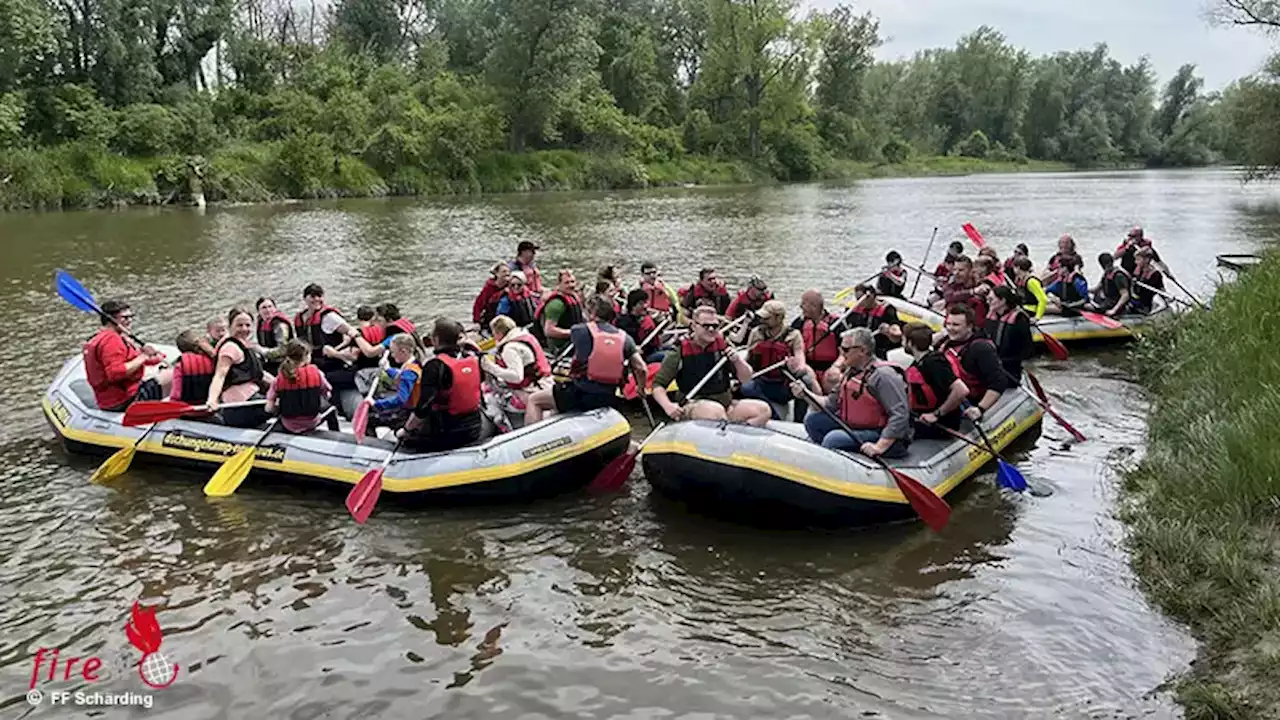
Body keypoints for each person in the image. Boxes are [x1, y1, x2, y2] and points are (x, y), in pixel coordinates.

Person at [790, 328, 911, 458]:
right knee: (813, 421)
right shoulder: (851, 372)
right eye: (841, 348)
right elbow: (830, 404)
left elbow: (900, 414)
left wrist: (879, 446)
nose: (841, 353)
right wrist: (806, 394)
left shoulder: (883, 376)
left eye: (846, 349)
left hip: (880, 433)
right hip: (855, 426)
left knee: (833, 439)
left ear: (863, 351)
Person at [524, 299, 647, 425]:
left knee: (535, 400)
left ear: (592, 314)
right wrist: (640, 389)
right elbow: (641, 368)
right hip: (608, 396)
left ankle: (529, 440)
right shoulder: (626, 339)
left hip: (580, 393)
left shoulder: (579, 330)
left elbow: (559, 335)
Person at [651, 306, 772, 427]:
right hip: (694, 405)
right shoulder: (679, 351)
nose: (711, 329)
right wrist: (668, 406)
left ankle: (735, 436)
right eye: (706, 326)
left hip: (725, 405)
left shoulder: (723, 346)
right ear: (694, 326)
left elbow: (746, 379)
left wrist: (737, 361)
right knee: (715, 412)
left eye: (715, 326)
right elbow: (658, 386)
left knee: (763, 410)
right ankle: (722, 431)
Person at [398, 319, 485, 452]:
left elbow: (423, 408)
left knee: (401, 430)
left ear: (436, 340)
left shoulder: (435, 366)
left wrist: (405, 430)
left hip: (446, 432)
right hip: (475, 427)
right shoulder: (473, 359)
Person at [82, 299, 171, 411]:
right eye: (125, 318)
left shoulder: (104, 337)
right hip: (124, 400)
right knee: (175, 374)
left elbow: (131, 359)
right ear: (111, 319)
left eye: (131, 317)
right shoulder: (111, 340)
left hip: (110, 399)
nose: (130, 321)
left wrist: (153, 358)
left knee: (166, 371)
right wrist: (143, 356)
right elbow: (115, 373)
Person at [936, 304, 1010, 418]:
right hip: (948, 399)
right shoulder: (944, 342)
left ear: (969, 326)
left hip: (970, 402)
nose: (950, 328)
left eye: (956, 325)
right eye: (948, 324)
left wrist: (980, 408)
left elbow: (999, 381)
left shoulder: (981, 348)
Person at [741, 300, 810, 418]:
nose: (762, 321)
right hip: (762, 381)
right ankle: (773, 415)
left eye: (767, 318)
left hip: (782, 385)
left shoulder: (793, 335)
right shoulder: (756, 333)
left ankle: (799, 421)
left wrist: (796, 367)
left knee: (805, 383)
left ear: (779, 318)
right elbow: (747, 361)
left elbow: (800, 359)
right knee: (745, 388)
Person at [900, 323, 968, 439]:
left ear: (910, 343)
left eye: (903, 339)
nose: (902, 343)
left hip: (939, 424)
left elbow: (961, 390)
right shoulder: (919, 363)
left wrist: (936, 414)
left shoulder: (934, 364)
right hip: (922, 418)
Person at [206, 307, 271, 427]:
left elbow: (261, 374)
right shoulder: (230, 348)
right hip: (240, 407)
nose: (244, 329)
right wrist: (212, 399)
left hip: (252, 400)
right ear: (230, 326)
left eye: (247, 325)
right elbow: (220, 375)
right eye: (239, 325)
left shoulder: (243, 345)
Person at [266, 339, 340, 433]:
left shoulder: (279, 379)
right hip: (313, 421)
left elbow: (269, 408)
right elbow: (327, 392)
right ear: (306, 356)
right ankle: (336, 434)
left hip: (288, 424)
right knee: (331, 410)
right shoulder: (317, 374)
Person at [293, 283, 356, 389]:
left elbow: (351, 332)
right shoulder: (300, 318)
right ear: (305, 298)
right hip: (309, 362)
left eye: (320, 296)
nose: (317, 299)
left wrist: (336, 351)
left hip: (329, 363)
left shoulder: (330, 317)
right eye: (313, 296)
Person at [481, 315, 552, 409]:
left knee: (489, 396)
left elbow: (517, 377)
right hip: (547, 382)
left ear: (499, 332)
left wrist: (490, 367)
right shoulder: (526, 336)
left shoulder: (509, 349)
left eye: (493, 332)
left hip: (532, 389)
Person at [368, 333, 425, 431]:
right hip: (410, 409)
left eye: (393, 352)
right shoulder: (415, 364)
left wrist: (375, 404)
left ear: (403, 351)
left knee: (370, 418)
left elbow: (400, 399)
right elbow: (400, 375)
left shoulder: (409, 372)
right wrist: (388, 368)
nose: (392, 355)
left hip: (408, 413)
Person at [792, 290, 844, 379]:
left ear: (814, 306)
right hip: (807, 367)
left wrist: (836, 367)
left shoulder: (836, 324)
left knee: (833, 378)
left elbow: (845, 353)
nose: (800, 306)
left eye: (804, 303)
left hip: (830, 368)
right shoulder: (799, 323)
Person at [986, 287, 1034, 381]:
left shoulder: (1019, 319)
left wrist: (1004, 361)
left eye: (991, 299)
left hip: (1010, 369)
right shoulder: (991, 316)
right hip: (992, 365)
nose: (988, 302)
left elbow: (1028, 351)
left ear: (1003, 300)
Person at [532, 269, 584, 354]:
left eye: (572, 282)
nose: (571, 285)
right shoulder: (556, 304)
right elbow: (549, 331)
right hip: (560, 347)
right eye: (567, 283)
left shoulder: (573, 297)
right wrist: (572, 333)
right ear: (559, 284)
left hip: (574, 341)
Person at [848, 284, 904, 357]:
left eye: (860, 299)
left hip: (879, 349)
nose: (859, 302)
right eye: (857, 299)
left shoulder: (887, 310)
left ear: (871, 296)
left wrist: (888, 332)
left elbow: (897, 335)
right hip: (859, 348)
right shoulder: (855, 310)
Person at [616, 289, 665, 363]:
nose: (645, 306)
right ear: (633, 306)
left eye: (646, 302)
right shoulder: (625, 323)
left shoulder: (643, 317)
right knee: (669, 356)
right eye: (641, 303)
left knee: (675, 349)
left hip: (653, 349)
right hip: (643, 356)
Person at [169, 330, 216, 404]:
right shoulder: (211, 360)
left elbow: (176, 395)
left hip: (189, 410)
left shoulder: (180, 365)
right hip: (212, 406)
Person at [255, 297, 293, 370]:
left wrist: (262, 351)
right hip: (269, 362)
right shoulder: (261, 323)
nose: (268, 310)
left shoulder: (280, 326)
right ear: (259, 311)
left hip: (282, 364)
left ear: (275, 308)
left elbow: (283, 350)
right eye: (264, 308)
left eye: (270, 306)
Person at [1090, 252, 1131, 316]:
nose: (1107, 268)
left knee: (1088, 307)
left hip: (1115, 303)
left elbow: (1125, 295)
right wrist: (1084, 291)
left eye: (1108, 265)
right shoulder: (1106, 274)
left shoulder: (1118, 276)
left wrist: (1114, 310)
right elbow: (1097, 289)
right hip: (1107, 300)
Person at [1130, 246, 1165, 314]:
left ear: (1146, 260)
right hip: (1137, 300)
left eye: (1138, 260)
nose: (1136, 262)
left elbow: (1157, 291)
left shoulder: (1155, 274)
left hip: (1148, 302)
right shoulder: (1138, 271)